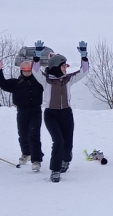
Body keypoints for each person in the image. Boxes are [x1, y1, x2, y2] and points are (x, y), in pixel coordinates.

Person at [33, 40, 89, 182]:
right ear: (56, 67)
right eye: (63, 65)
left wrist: (84, 56)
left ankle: (66, 159)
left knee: (67, 142)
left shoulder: (68, 79)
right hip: (51, 114)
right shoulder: (46, 80)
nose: (65, 67)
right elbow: (35, 70)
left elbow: (84, 71)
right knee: (58, 141)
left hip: (66, 113)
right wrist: (37, 55)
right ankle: (55, 170)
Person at [0, 55, 44, 172]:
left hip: (35, 111)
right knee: (23, 134)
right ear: (21, 71)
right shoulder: (16, 83)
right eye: (24, 71)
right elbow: (1, 83)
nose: (27, 73)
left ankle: (36, 160)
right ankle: (26, 153)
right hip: (22, 111)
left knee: (34, 134)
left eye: (29, 71)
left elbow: (50, 78)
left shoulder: (39, 82)